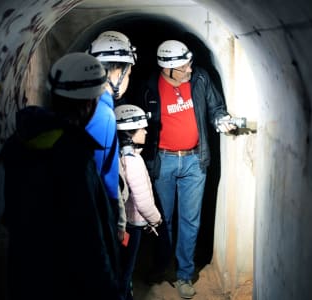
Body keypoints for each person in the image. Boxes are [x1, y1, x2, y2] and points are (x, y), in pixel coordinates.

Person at [2, 53, 121, 299]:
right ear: (89, 103)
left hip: (27, 274)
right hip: (66, 282)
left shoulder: (22, 142)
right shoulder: (75, 156)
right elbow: (88, 239)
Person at [137, 40, 236, 299]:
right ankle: (160, 268)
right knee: (162, 220)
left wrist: (221, 119)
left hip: (194, 161)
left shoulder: (200, 79)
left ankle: (184, 274)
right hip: (163, 162)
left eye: (189, 64)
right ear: (167, 69)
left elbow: (216, 107)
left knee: (190, 221)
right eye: (183, 67)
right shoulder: (149, 88)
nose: (189, 70)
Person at [85, 30, 137, 243]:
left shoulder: (87, 103)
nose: (128, 81)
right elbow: (97, 178)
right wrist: (116, 222)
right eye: (129, 74)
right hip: (96, 215)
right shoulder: (103, 114)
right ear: (118, 71)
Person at [114, 104, 163, 300]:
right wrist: (156, 219)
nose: (146, 130)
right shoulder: (133, 161)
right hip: (133, 224)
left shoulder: (119, 155)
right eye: (141, 128)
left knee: (121, 268)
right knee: (126, 271)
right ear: (130, 133)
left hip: (124, 223)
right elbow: (142, 201)